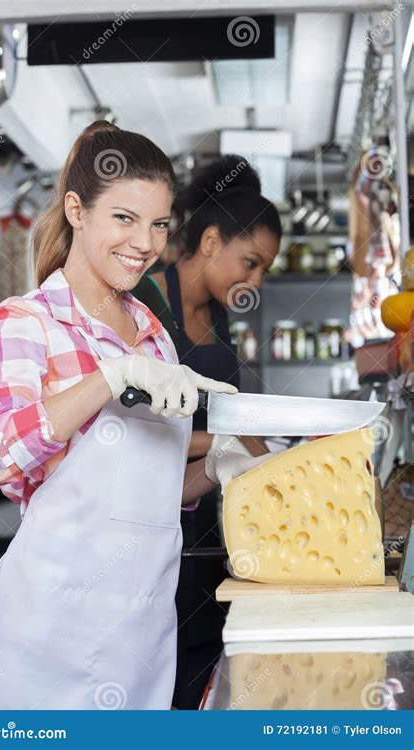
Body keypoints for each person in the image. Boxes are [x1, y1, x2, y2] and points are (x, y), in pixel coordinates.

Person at [0, 121, 252, 710]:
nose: (145, 243)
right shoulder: (27, 322)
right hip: (44, 642)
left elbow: (150, 495)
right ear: (76, 210)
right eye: (124, 218)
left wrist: (223, 466)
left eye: (158, 224)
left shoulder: (154, 339)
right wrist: (106, 379)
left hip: (140, 638)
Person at [133, 156, 282, 708]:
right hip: (150, 515)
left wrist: (281, 464)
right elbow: (134, 427)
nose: (255, 281)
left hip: (204, 524)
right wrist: (223, 447)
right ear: (212, 242)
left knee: (203, 670)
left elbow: (231, 419)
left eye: (263, 269)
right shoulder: (146, 302)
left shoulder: (218, 318)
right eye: (250, 262)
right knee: (157, 671)